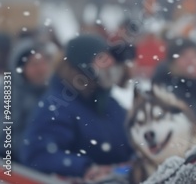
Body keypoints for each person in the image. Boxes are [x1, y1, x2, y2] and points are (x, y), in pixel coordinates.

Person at [20, 35, 133, 182]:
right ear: (83, 67)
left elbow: (129, 141)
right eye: (102, 61)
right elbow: (37, 154)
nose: (111, 67)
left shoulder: (109, 103)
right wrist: (84, 168)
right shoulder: (57, 105)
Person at [0, 39, 53, 162]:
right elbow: (2, 140)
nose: (41, 69)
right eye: (34, 64)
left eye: (43, 63)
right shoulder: (7, 93)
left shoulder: (50, 93)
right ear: (20, 68)